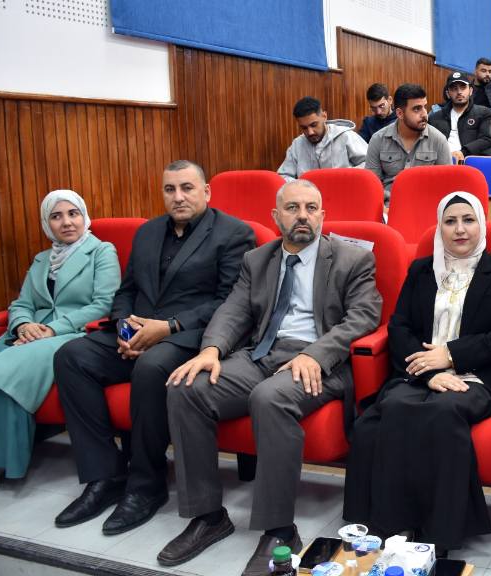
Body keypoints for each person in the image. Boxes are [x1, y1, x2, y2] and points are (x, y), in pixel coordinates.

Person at [160, 179, 381, 573]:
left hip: (320, 360)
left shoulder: (352, 259)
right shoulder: (257, 259)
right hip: (261, 354)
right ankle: (208, 516)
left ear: (323, 215)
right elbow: (234, 310)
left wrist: (315, 354)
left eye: (311, 208)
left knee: (269, 397)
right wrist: (211, 350)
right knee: (187, 388)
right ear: (276, 216)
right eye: (293, 208)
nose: (303, 216)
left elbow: (363, 317)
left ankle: (279, 529)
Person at [53, 161, 254, 534]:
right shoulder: (147, 232)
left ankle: (147, 485)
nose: (178, 197)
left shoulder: (233, 233)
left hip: (190, 336)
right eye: (169, 189)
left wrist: (168, 327)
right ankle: (105, 475)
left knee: (151, 367)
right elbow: (127, 290)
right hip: (138, 331)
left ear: (206, 192)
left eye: (187, 188)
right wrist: (124, 327)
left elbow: (230, 302)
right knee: (71, 357)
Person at [343, 192, 491, 552]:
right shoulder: (420, 270)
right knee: (388, 410)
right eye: (450, 221)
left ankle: (439, 531)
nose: (460, 229)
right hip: (419, 371)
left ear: (481, 224)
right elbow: (400, 327)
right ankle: (390, 524)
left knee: (442, 411)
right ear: (439, 228)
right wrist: (428, 373)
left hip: (478, 376)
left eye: (468, 220)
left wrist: (451, 356)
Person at [0, 191, 119, 492]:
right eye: (56, 216)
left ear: (84, 216)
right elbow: (22, 303)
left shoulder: (101, 251)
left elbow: (104, 304)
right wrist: (23, 325)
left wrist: (51, 329)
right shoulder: (42, 259)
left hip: (73, 334)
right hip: (32, 332)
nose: (67, 222)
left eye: (73, 213)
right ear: (47, 224)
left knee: (2, 370)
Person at [365, 84, 452, 202]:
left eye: (424, 107)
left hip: (426, 204)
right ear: (400, 113)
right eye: (416, 109)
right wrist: (383, 209)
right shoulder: (377, 139)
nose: (424, 114)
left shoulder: (438, 140)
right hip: (389, 205)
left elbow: (446, 185)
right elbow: (371, 185)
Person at [277, 97, 368, 180]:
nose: (310, 132)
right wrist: (301, 187)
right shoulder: (297, 145)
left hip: (344, 190)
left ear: (324, 116)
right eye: (304, 128)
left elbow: (369, 164)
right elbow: (283, 176)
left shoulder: (346, 137)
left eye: (314, 125)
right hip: (308, 193)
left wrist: (345, 177)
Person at [428, 72, 491, 162]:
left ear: (470, 91)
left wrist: (463, 152)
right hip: (442, 163)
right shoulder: (434, 118)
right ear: (448, 94)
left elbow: (489, 139)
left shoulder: (485, 113)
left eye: (463, 87)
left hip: (470, 163)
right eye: (454, 89)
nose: (459, 92)